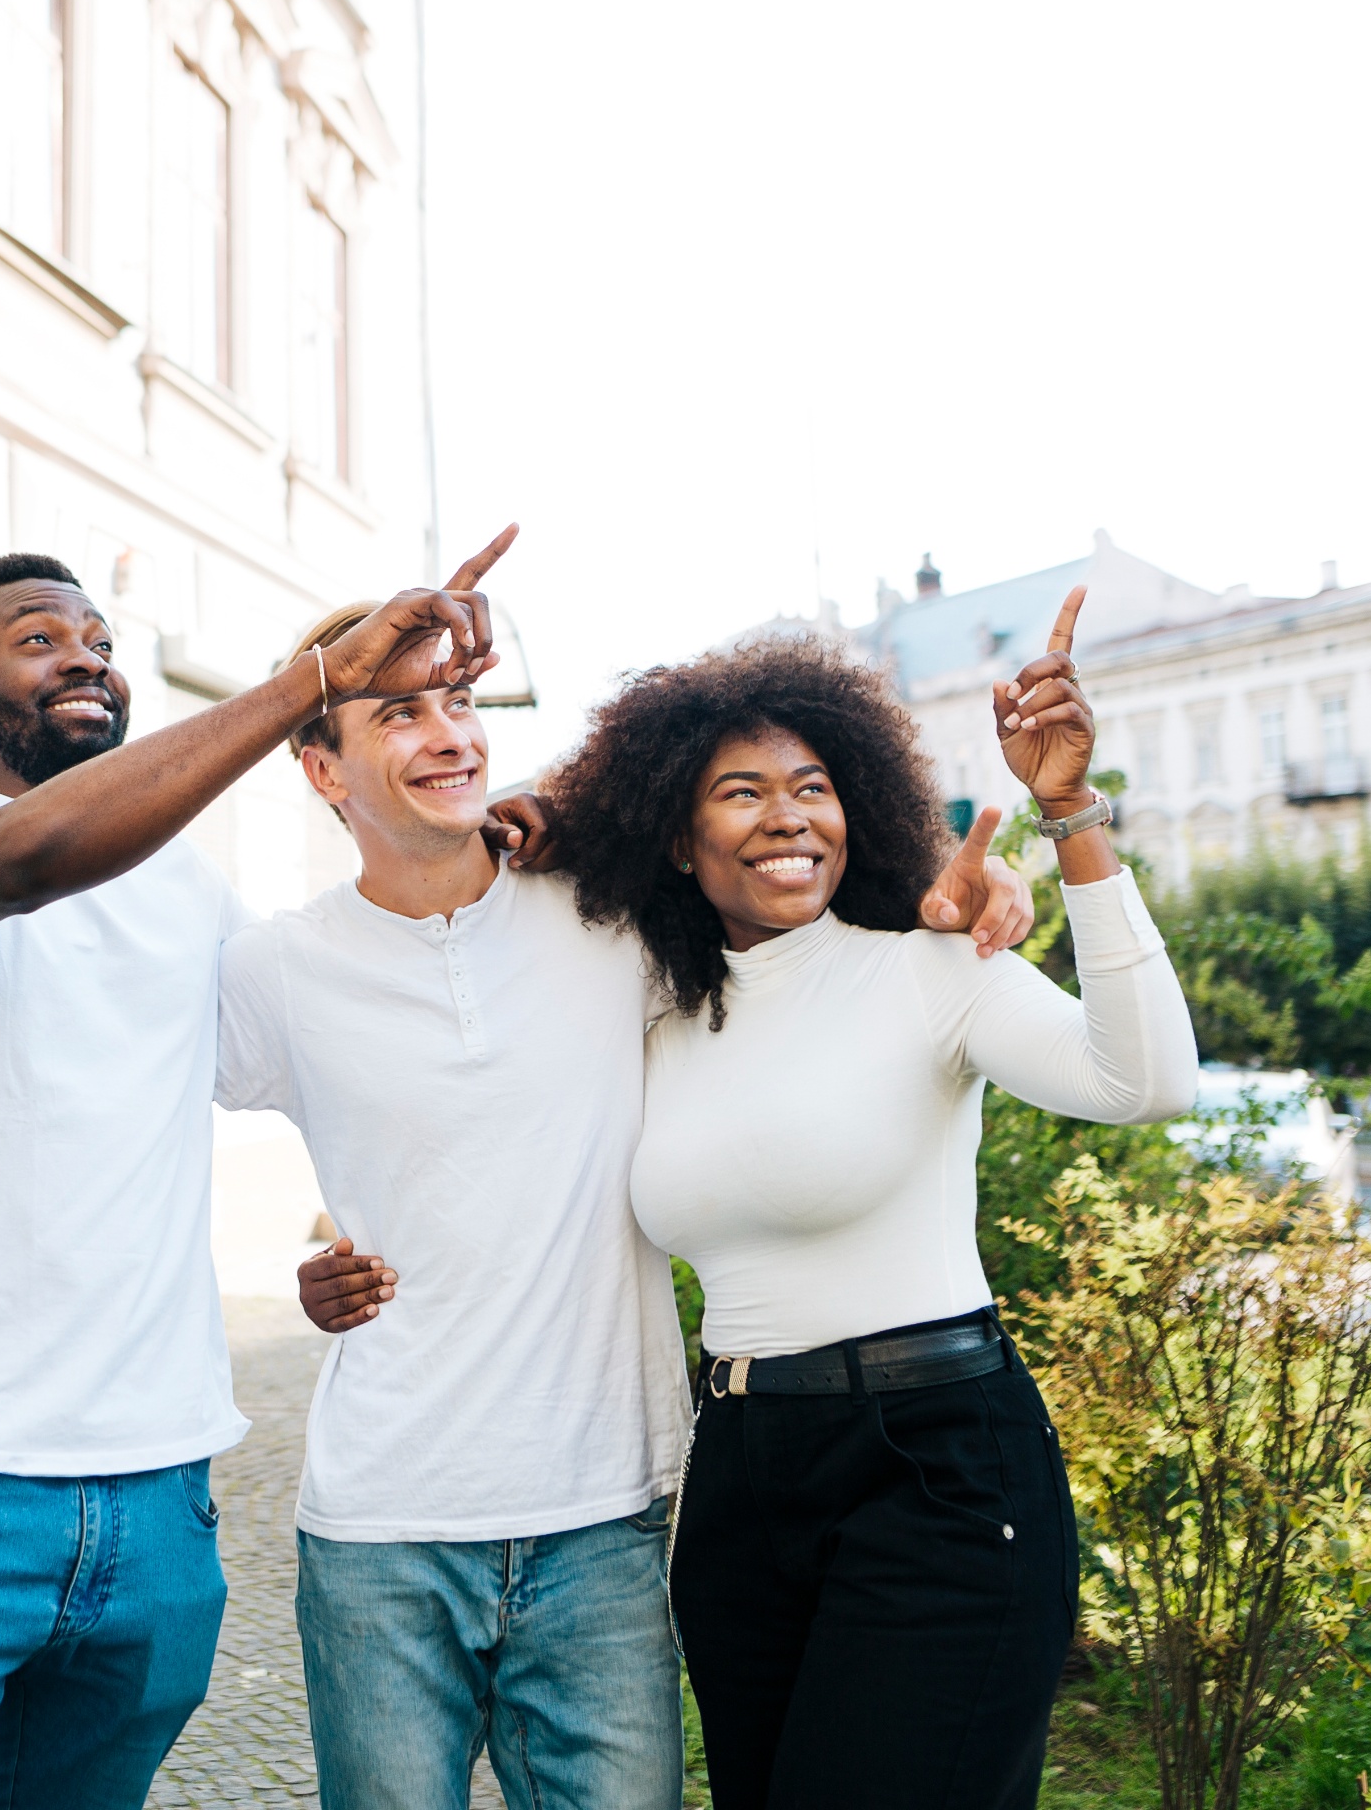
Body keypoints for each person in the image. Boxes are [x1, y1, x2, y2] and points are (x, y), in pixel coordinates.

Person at [215, 606, 1043, 1810]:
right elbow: (103, 1085)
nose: (447, 733)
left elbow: (792, 900)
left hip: (606, 1513)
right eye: (398, 711)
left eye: (459, 704)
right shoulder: (271, 968)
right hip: (380, 1522)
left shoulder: (613, 925)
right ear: (318, 766)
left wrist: (962, 880)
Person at [0, 533, 514, 1810]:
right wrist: (311, 678)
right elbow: (21, 861)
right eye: (37, 638)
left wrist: (518, 825)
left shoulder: (192, 893)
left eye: (101, 644)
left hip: (159, 1496)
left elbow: (355, 1022)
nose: (85, 659)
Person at [534, 590, 1199, 1810]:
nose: (785, 815)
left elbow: (1145, 1080)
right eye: (739, 791)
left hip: (935, 1466)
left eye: (811, 786)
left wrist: (1067, 814)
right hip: (734, 1475)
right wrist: (526, 818)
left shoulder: (926, 967)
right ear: (674, 836)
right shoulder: (645, 1012)